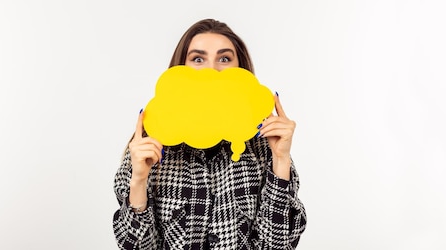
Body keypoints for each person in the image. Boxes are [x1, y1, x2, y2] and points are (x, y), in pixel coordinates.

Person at [113, 18, 307, 249]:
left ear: (240, 70)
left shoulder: (265, 144)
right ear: (180, 69)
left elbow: (277, 246)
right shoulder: (151, 145)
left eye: (224, 59)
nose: (212, 70)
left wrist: (281, 161)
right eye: (198, 59)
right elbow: (136, 246)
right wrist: (138, 181)